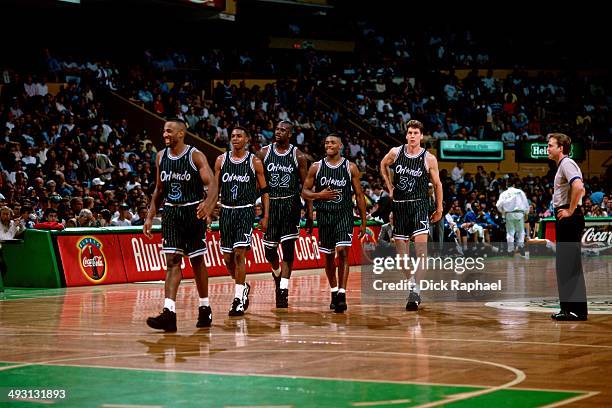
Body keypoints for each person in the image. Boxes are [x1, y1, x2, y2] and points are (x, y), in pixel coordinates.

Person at [144, 118, 218, 332]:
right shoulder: (160, 157)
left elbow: (212, 183)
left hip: (193, 211)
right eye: (164, 131)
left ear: (181, 134)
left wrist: (208, 204)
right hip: (171, 212)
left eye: (169, 131)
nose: (165, 135)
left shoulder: (195, 155)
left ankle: (205, 307)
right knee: (172, 261)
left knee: (196, 261)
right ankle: (169, 313)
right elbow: (158, 189)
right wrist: (150, 216)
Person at [380, 120, 443, 311]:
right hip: (399, 208)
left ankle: (415, 292)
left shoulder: (429, 158)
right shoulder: (395, 152)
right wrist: (389, 187)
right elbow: (383, 164)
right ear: (406, 135)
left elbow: (438, 184)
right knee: (402, 257)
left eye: (416, 132)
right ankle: (412, 285)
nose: (413, 135)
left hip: (419, 206)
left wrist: (439, 208)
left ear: (421, 136)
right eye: (410, 132)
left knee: (422, 252)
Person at [302, 134, 366, 313]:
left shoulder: (350, 167)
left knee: (343, 252)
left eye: (332, 143)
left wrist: (363, 221)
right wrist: (318, 196)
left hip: (344, 215)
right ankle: (333, 290)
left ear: (340, 146)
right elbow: (305, 191)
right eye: (327, 143)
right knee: (329, 256)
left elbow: (359, 195)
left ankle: (342, 294)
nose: (329, 145)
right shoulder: (316, 167)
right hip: (324, 216)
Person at [255, 120, 313, 308]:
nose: (278, 132)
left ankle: (283, 290)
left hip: (290, 205)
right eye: (277, 129)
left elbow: (306, 188)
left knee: (288, 251)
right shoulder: (263, 153)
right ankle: (277, 273)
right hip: (271, 206)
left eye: (283, 130)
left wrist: (310, 214)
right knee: (269, 251)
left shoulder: (298, 156)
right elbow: (257, 185)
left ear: (290, 134)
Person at [215, 126, 269, 316]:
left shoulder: (254, 162)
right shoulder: (221, 160)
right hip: (226, 212)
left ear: (246, 140)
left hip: (245, 211)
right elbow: (215, 187)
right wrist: (209, 208)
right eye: (233, 136)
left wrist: (265, 216)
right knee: (228, 259)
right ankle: (243, 286)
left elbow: (265, 192)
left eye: (239, 136)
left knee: (239, 255)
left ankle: (237, 300)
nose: (235, 139)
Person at [547, 133, 587, 321]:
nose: (548, 149)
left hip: (569, 217)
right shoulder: (563, 166)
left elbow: (579, 188)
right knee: (565, 265)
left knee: (569, 265)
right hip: (566, 216)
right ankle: (570, 309)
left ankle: (574, 310)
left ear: (561, 148)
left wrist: (570, 211)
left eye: (550, 145)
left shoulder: (567, 164)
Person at [496, 178, 530, 256]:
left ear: (507, 185)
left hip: (509, 214)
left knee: (510, 232)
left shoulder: (504, 193)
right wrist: (526, 213)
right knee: (521, 231)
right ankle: (521, 246)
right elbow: (526, 203)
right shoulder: (520, 192)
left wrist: (503, 212)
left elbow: (498, 205)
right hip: (519, 214)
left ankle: (510, 250)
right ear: (514, 185)